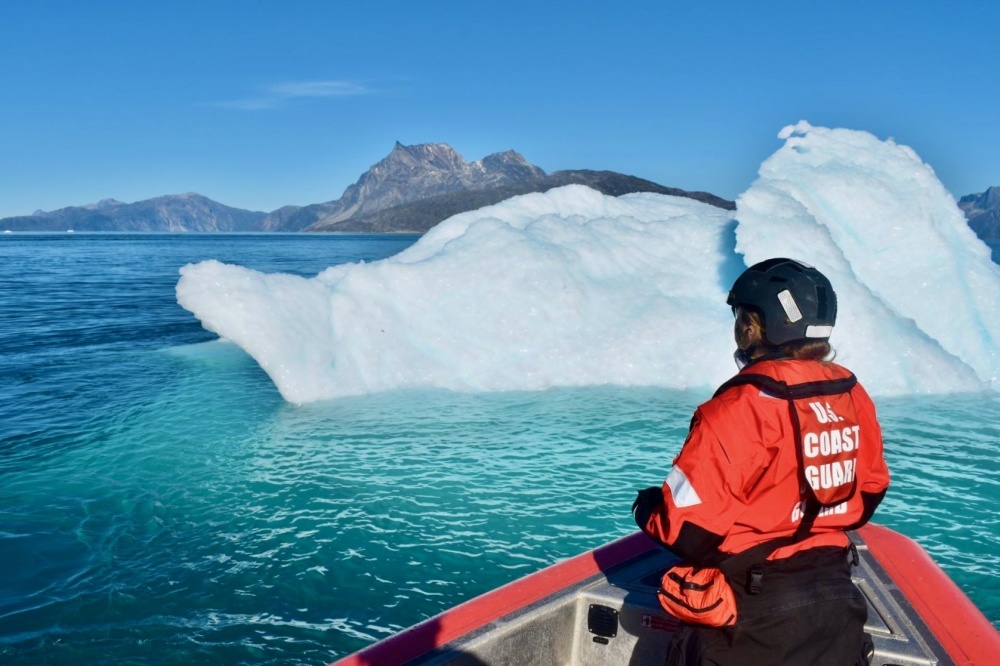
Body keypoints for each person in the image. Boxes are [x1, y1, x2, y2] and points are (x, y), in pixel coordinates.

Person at [632, 258, 890, 666]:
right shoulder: (853, 395)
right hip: (835, 601)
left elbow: (687, 531)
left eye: (740, 318)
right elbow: (870, 493)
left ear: (754, 327)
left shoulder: (736, 408)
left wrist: (647, 508)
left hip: (752, 614)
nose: (738, 329)